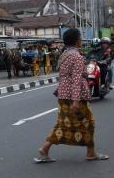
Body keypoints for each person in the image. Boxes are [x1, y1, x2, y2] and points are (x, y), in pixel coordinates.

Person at [37, 28, 109, 162]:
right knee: (89, 123)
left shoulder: (64, 54)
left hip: (63, 94)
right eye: (80, 37)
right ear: (76, 41)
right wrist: (76, 100)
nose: (81, 40)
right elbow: (76, 79)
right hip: (74, 97)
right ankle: (91, 153)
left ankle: (45, 148)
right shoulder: (77, 56)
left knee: (63, 124)